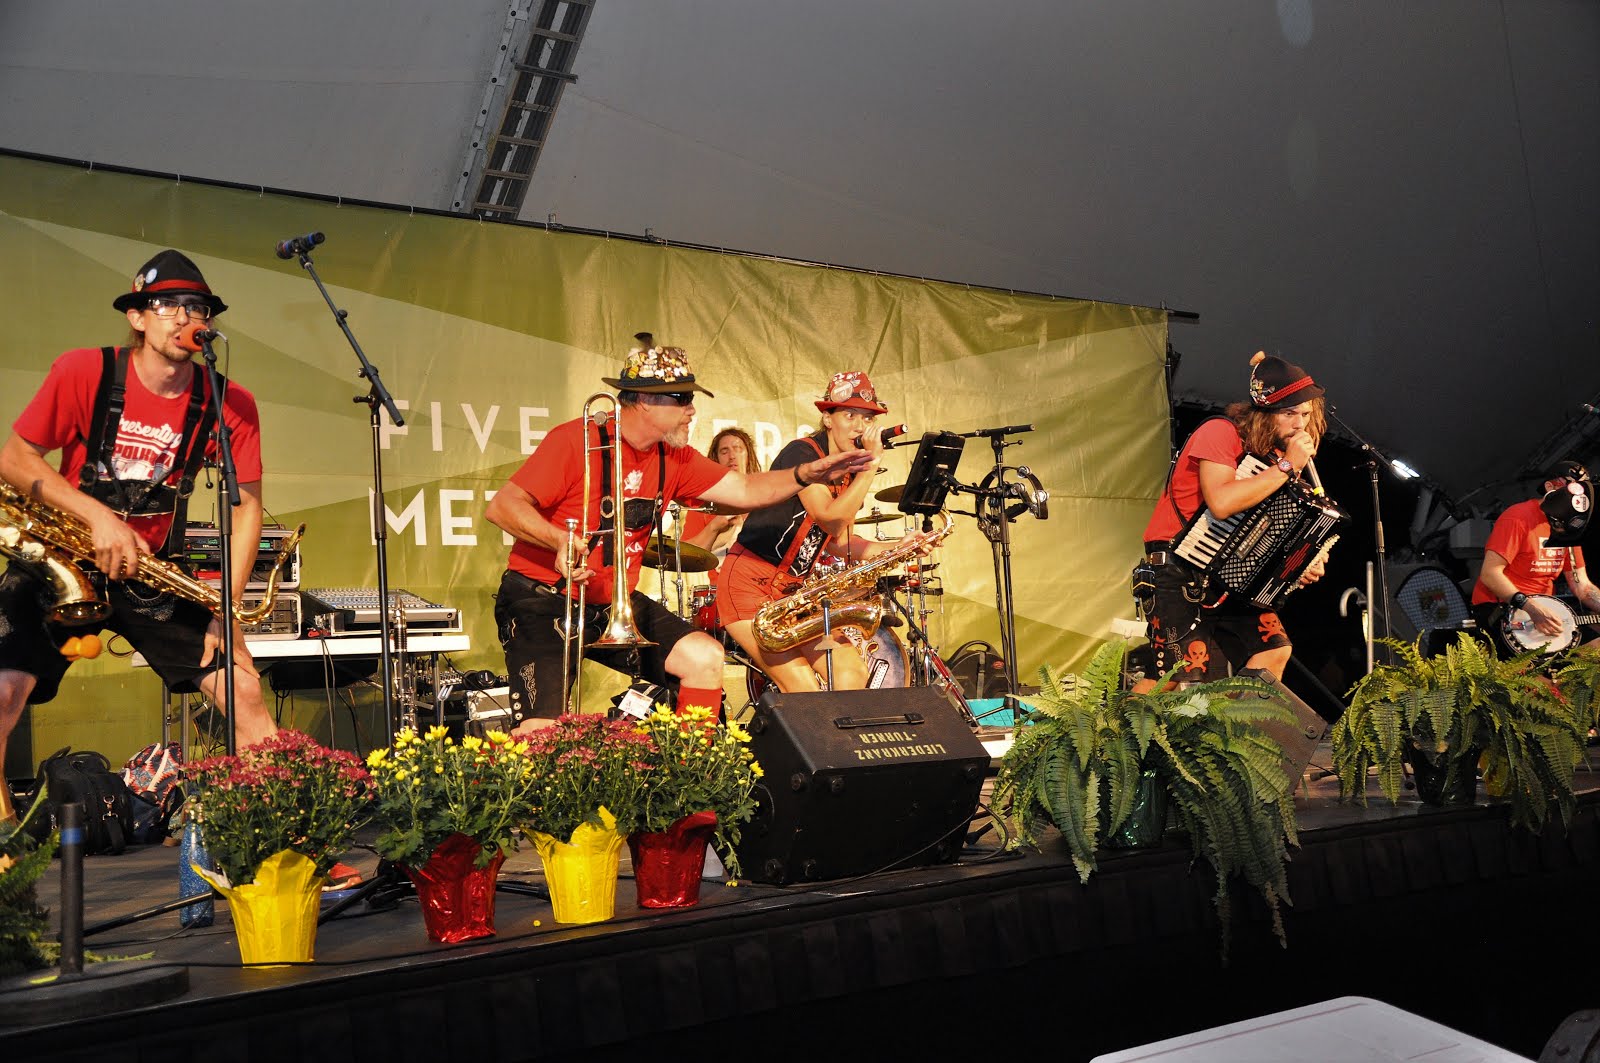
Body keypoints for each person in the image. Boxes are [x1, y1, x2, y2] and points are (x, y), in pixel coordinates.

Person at [0, 249, 276, 823]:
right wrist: (97, 516)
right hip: (63, 556)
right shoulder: (85, 371)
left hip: (150, 573)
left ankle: (279, 835)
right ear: (138, 316)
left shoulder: (232, 403)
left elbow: (247, 508)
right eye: (168, 304)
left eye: (196, 306)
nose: (184, 317)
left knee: (244, 689)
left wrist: (226, 604)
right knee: (3, 692)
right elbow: (15, 458)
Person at [486, 336, 874, 728]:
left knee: (704, 657)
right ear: (645, 400)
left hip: (607, 601)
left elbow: (744, 490)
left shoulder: (674, 455)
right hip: (542, 597)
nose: (692, 412)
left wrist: (802, 474)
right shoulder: (575, 440)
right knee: (543, 732)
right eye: (683, 400)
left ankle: (696, 773)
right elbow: (502, 506)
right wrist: (558, 539)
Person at [717, 370, 932, 693]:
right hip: (748, 584)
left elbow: (840, 542)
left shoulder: (847, 472)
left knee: (850, 671)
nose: (859, 426)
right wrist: (870, 466)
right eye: (850, 415)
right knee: (802, 688)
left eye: (866, 418)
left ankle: (839, 744)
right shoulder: (802, 453)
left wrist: (899, 548)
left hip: (792, 595)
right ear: (827, 418)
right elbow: (829, 518)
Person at [1134, 352, 1329, 689]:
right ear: (1265, 414)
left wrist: (1307, 560)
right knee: (1171, 678)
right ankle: (1114, 740)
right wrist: (1285, 469)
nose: (1300, 425)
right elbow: (1222, 502)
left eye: (1305, 414)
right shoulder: (1220, 432)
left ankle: (1237, 740)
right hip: (1177, 566)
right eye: (1289, 414)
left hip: (1229, 574)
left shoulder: (1278, 458)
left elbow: (1277, 528)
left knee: (1274, 651)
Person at [1469, 461, 1600, 651]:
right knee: (1536, 678)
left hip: (1546, 612)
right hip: (1500, 609)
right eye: (1573, 487)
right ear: (1550, 486)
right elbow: (1490, 573)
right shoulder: (1518, 517)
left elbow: (1583, 587)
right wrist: (1530, 607)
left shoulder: (1571, 527)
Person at [681, 426, 761, 561]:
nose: (732, 456)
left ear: (749, 456)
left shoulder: (764, 498)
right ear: (715, 459)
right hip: (716, 581)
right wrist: (714, 527)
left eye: (738, 449)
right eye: (724, 451)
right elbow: (685, 556)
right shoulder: (703, 502)